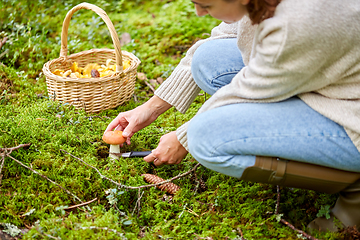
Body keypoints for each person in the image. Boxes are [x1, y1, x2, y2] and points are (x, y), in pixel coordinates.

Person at [104, 0, 360, 232]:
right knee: (210, 59)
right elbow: (220, 38)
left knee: (205, 137)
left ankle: (352, 186)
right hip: (324, 78)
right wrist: (151, 107)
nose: (199, 12)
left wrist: (183, 138)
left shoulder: (295, 26)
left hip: (350, 115)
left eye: (205, 5)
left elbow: (248, 91)